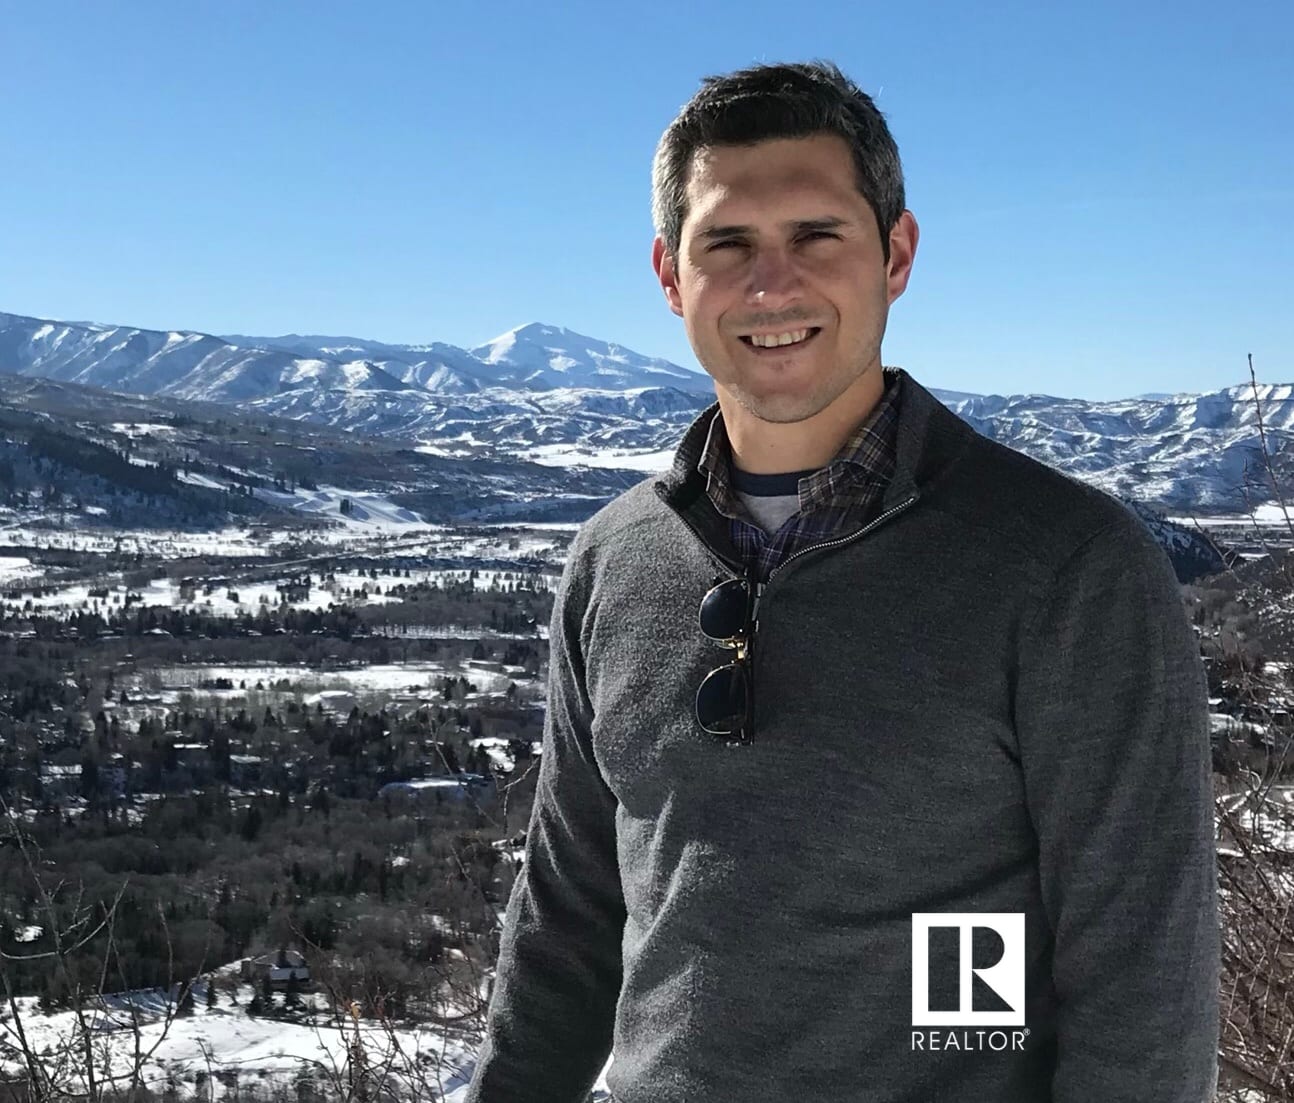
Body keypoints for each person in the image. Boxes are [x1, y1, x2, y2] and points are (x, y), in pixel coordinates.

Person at [464, 61, 1219, 1103]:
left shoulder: (1063, 567)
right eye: (727, 243)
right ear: (671, 275)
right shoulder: (613, 562)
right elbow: (568, 914)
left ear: (895, 254)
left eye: (817, 235)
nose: (771, 285)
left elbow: (1142, 988)